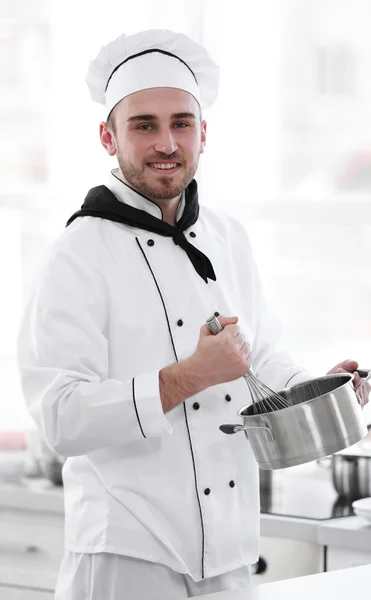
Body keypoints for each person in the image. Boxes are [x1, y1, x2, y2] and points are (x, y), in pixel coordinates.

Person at [16, 29, 368, 599]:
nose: (167, 143)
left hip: (229, 552)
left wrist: (319, 389)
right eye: (144, 125)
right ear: (108, 138)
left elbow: (262, 355)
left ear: (204, 133)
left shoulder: (228, 236)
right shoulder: (77, 254)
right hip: (126, 557)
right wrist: (189, 376)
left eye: (181, 123)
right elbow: (60, 416)